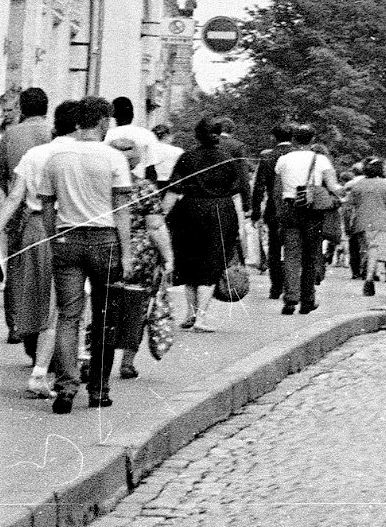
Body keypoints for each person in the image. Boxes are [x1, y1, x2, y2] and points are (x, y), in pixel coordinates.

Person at [26, 97, 133, 413]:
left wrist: (53, 234)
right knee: (104, 317)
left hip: (66, 240)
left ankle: (65, 389)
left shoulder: (57, 158)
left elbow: (46, 203)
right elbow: (122, 211)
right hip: (106, 241)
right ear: (102, 123)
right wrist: (127, 254)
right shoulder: (114, 158)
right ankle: (99, 390)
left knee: (68, 316)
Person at [163, 117, 244, 329]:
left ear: (197, 135)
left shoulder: (186, 158)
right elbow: (237, 194)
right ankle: (201, 317)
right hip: (220, 211)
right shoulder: (228, 159)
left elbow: (174, 189)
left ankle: (190, 313)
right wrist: (241, 226)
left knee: (189, 261)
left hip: (189, 210)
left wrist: (161, 215)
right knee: (212, 263)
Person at [108, 138, 173, 383]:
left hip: (107, 247)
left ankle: (92, 357)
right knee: (136, 307)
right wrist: (168, 257)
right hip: (140, 254)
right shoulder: (145, 187)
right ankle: (127, 361)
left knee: (103, 307)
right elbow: (155, 226)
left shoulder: (101, 185)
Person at [1, 87, 54, 374]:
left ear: (22, 108)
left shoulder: (11, 135)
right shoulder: (54, 133)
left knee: (19, 271)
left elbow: (1, 174)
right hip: (53, 215)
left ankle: (16, 324)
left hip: (21, 210)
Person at [273, 126, 339, 314]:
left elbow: (277, 189)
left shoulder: (283, 159)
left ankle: (290, 299)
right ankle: (307, 300)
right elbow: (333, 186)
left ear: (293, 139)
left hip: (289, 208)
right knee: (311, 256)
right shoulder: (321, 159)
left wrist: (279, 212)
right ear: (312, 139)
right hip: (312, 211)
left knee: (291, 255)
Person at [249, 123, 295, 300]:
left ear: (273, 138)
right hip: (294, 207)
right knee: (293, 246)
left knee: (274, 248)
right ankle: (292, 284)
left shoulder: (268, 157)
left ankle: (276, 286)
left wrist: (255, 211)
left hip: (273, 208)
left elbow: (259, 187)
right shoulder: (297, 156)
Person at [349, 158, 386, 296]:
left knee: (368, 250)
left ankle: (369, 274)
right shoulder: (385, 185)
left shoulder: (358, 185)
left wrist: (349, 225)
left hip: (361, 223)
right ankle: (370, 277)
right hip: (381, 223)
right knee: (375, 250)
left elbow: (350, 205)